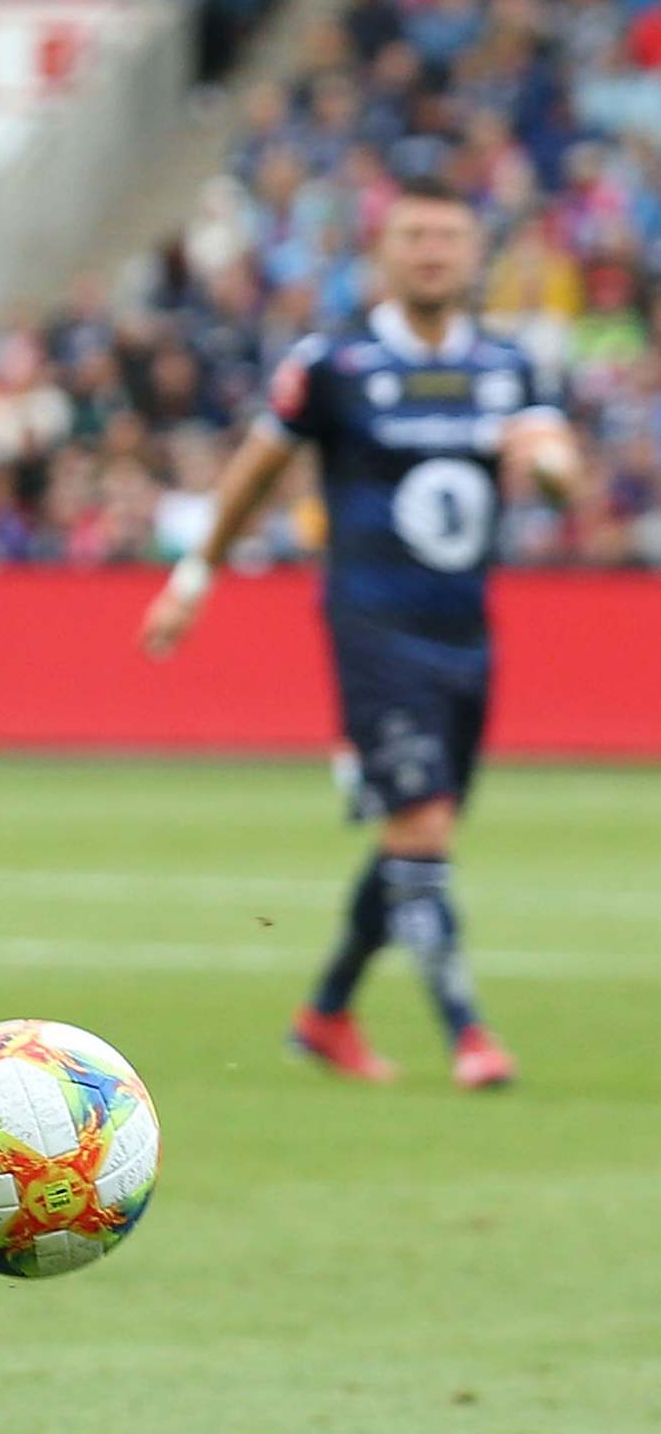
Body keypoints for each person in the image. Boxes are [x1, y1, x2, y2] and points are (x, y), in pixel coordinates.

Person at [141, 179, 580, 1089]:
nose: (431, 252)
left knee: (415, 837)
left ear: (473, 254)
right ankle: (467, 1034)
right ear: (382, 251)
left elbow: (555, 461)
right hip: (371, 627)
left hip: (465, 631)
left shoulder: (506, 365)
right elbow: (256, 473)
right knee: (420, 824)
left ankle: (325, 1014)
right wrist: (194, 579)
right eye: (414, 235)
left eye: (448, 236)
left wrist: (552, 477)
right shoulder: (333, 365)